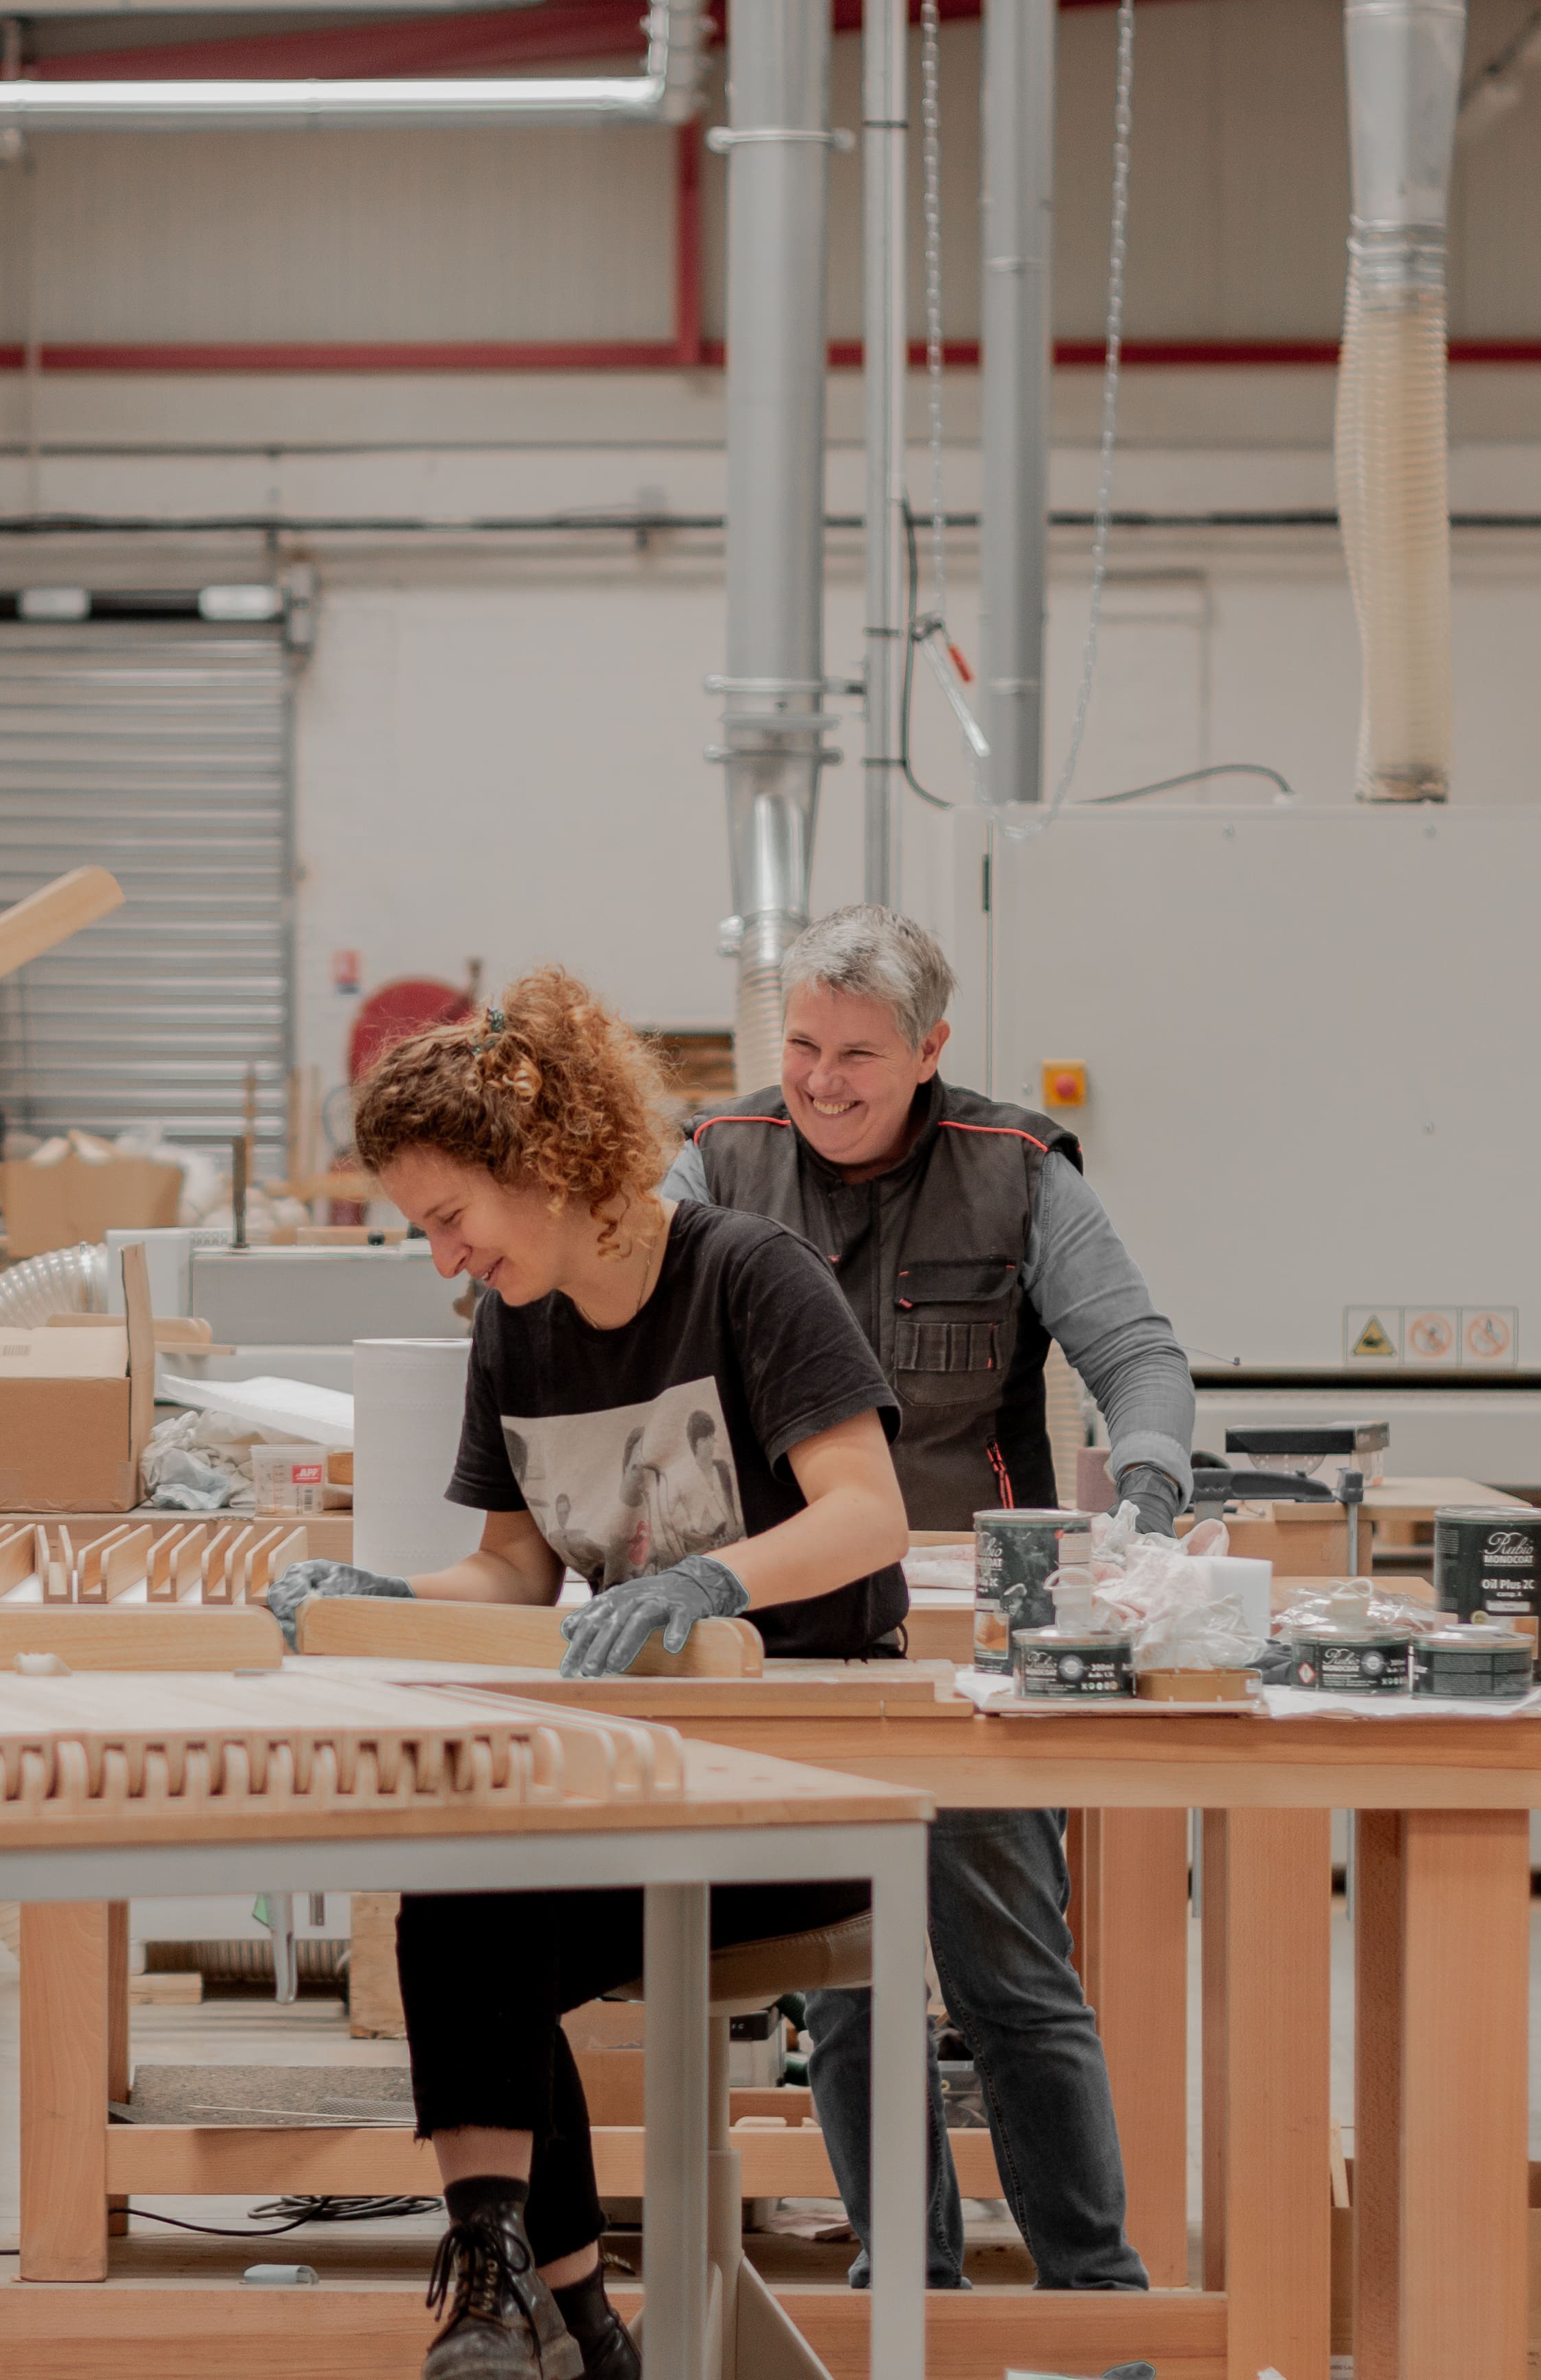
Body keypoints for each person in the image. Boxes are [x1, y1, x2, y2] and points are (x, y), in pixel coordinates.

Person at [264, 969, 910, 2380]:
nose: (444, 1259)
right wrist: (377, 1599)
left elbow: (869, 1514)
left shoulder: (749, 1276)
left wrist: (710, 1576)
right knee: (459, 1876)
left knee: (489, 1890)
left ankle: (547, 2313)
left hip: (805, 1777)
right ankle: (534, 2300)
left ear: (547, 1170)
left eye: (451, 1220)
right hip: (633, 1771)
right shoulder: (516, 1323)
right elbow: (513, 1573)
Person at [664, 903, 1184, 2296]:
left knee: (1014, 1979)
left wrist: (1144, 1488)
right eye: (801, 1045)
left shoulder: (1014, 1170)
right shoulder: (718, 1161)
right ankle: (909, 2291)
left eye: (859, 1054)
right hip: (797, 1635)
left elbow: (1137, 1351)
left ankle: (1096, 2296)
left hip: (969, 1638)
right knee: (850, 1986)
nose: (822, 1080)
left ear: (932, 1049)